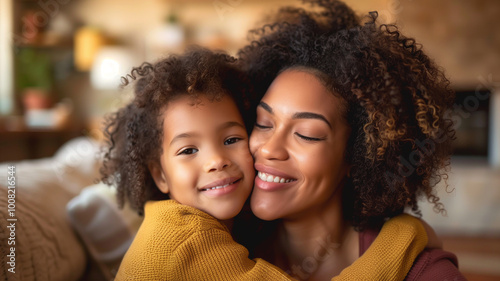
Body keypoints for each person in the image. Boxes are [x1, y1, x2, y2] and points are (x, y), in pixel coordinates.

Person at [101, 48, 434, 280]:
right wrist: (404, 235)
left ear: (359, 153)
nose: (216, 160)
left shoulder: (225, 230)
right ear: (158, 173)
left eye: (231, 140)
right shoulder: (187, 239)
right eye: (263, 123)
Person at [237, 0, 467, 280]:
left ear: (358, 156)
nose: (270, 148)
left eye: (307, 134)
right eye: (263, 124)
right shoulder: (216, 249)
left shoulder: (426, 273)